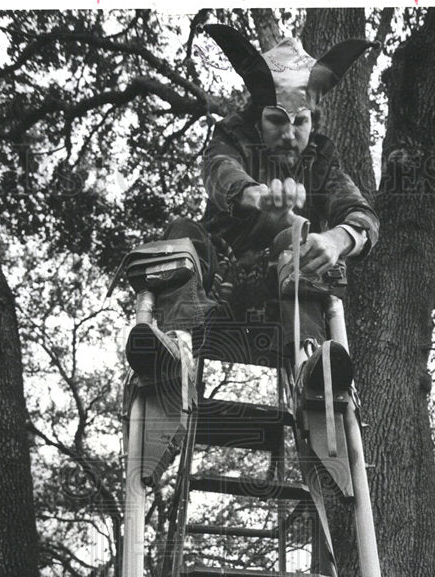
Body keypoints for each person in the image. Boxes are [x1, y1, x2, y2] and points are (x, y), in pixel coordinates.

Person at [153, 24, 380, 368]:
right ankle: (177, 350)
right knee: (181, 232)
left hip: (285, 294)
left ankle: (310, 365)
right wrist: (255, 194)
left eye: (300, 122)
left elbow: (361, 214)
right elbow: (219, 170)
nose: (289, 134)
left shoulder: (321, 160)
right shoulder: (233, 135)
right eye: (276, 121)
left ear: (312, 121)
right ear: (259, 121)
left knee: (297, 247)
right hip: (215, 281)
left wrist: (336, 240)